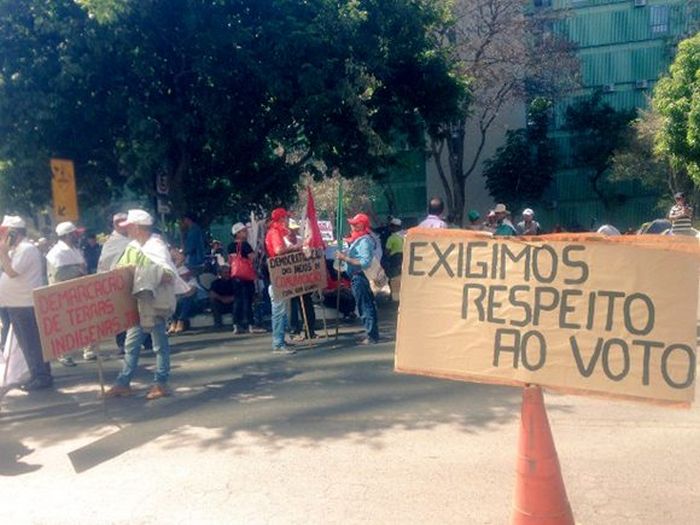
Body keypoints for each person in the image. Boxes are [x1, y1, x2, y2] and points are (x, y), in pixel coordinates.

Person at [104, 209, 187, 400]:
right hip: (139, 303)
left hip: (154, 302)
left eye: (129, 227)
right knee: (132, 345)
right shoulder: (133, 246)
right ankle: (123, 383)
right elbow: (121, 270)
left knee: (159, 345)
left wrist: (146, 274)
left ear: (137, 228)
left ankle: (160, 383)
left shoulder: (156, 246)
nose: (127, 230)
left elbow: (167, 274)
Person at [0, 215, 53, 391]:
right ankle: (36, 373)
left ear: (13, 233)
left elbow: (12, 272)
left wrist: (2, 252)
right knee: (26, 344)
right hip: (17, 304)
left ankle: (41, 376)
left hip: (26, 305)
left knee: (32, 343)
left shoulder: (26, 249)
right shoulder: (17, 249)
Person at [46, 221, 98, 365]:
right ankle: (64, 354)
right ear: (68, 235)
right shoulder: (56, 252)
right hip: (63, 296)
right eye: (75, 234)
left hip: (78, 293)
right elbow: (59, 275)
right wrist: (78, 270)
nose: (78, 236)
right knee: (64, 326)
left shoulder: (75, 249)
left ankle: (89, 350)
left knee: (86, 322)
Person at [335, 213, 380, 344]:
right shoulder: (359, 240)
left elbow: (365, 262)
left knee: (365, 306)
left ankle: (371, 335)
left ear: (360, 226)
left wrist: (345, 258)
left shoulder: (364, 241)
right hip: (358, 277)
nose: (351, 226)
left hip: (361, 277)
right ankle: (372, 333)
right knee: (366, 305)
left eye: (354, 224)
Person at [97, 213, 131, 355]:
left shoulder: (133, 238)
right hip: (117, 283)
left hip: (135, 280)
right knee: (120, 314)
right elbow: (104, 264)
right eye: (120, 223)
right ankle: (122, 342)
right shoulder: (111, 243)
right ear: (115, 225)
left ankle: (146, 340)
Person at [265, 208, 296, 354]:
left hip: (280, 276)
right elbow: (278, 251)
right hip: (277, 277)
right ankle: (278, 343)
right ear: (282, 219)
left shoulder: (278, 232)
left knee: (282, 311)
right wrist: (295, 247)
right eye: (286, 218)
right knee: (279, 310)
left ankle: (281, 340)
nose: (288, 221)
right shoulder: (275, 232)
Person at [228, 222, 260, 334]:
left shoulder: (230, 246)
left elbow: (229, 261)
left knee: (237, 300)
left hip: (235, 275)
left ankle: (236, 324)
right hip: (246, 276)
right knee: (247, 300)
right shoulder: (246, 245)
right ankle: (250, 324)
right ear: (237, 233)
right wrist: (256, 251)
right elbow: (252, 258)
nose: (246, 233)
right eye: (243, 231)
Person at [209, 263, 236, 328]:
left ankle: (237, 322)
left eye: (228, 272)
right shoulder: (215, 283)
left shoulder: (234, 282)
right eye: (225, 273)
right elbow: (212, 293)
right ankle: (218, 323)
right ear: (220, 274)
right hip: (221, 304)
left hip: (232, 303)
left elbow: (239, 293)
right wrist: (222, 299)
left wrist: (231, 298)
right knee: (213, 301)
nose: (227, 274)